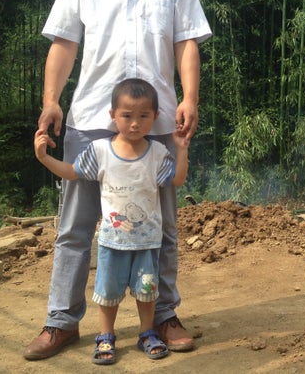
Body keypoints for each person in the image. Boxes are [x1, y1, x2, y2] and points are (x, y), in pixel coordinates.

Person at [23, 0, 212, 361]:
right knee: (75, 228)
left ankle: (165, 317)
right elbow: (64, 46)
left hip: (159, 124)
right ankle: (61, 322)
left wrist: (189, 97)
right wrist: (52, 100)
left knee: (163, 227)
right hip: (90, 121)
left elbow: (186, 44)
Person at [34, 78, 189, 365]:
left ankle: (147, 332)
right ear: (113, 115)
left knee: (146, 291)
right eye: (127, 116)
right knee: (107, 293)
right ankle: (106, 336)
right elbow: (72, 173)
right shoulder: (100, 151)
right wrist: (44, 158)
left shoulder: (157, 154)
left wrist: (181, 149)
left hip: (147, 243)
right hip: (111, 243)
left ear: (155, 117)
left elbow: (177, 180)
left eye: (143, 116)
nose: (134, 123)